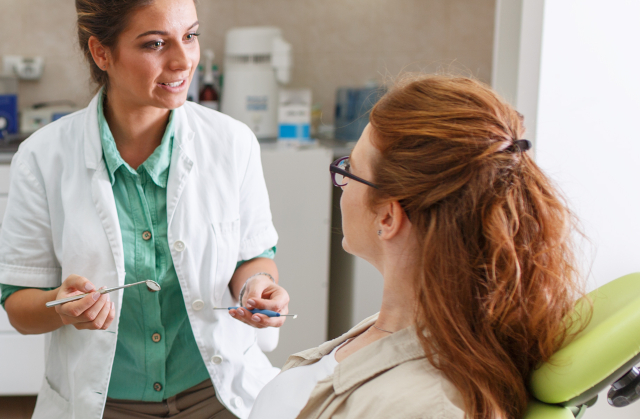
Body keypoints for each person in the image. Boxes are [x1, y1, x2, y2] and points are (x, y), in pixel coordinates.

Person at [0, 0, 287, 419]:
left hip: (218, 395)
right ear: (101, 51)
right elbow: (18, 304)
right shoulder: (43, 157)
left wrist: (257, 286)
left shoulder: (232, 143)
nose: (182, 61)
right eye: (154, 44)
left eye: (190, 37)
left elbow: (254, 257)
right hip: (104, 404)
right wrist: (59, 305)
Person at [247, 74, 582, 419]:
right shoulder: (410, 324)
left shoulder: (425, 407)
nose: (342, 184)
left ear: (388, 218)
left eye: (351, 169)